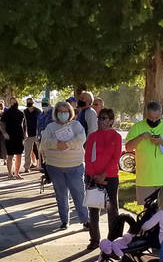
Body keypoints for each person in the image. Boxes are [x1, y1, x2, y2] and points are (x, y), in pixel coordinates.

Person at [39, 101, 90, 230]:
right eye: (60, 112)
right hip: (55, 167)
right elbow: (44, 143)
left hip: (75, 166)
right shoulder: (50, 127)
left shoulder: (76, 125)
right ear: (56, 113)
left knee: (79, 194)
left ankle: (85, 220)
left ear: (70, 112)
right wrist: (57, 145)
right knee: (61, 195)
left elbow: (81, 139)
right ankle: (64, 220)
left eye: (65, 112)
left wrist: (67, 144)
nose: (63, 114)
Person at [125, 102, 163, 203]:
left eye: (157, 117)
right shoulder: (137, 127)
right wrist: (140, 137)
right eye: (150, 117)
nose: (153, 120)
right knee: (146, 214)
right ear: (146, 113)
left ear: (161, 114)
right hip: (144, 180)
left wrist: (161, 141)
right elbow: (128, 148)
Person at [85, 108, 122, 251]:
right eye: (100, 118)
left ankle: (114, 240)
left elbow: (115, 158)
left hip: (110, 177)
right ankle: (94, 239)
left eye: (105, 118)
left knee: (112, 210)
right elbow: (88, 158)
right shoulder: (93, 137)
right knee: (93, 210)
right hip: (93, 177)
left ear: (111, 121)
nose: (102, 121)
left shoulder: (116, 137)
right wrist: (95, 176)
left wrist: (104, 175)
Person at [1, 99, 26, 179]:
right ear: (10, 103)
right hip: (10, 136)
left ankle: (17, 173)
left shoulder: (21, 113)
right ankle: (9, 174)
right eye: (12, 101)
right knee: (10, 155)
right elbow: (1, 123)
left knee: (19, 155)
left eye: (15, 101)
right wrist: (4, 133)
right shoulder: (7, 112)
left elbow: (24, 124)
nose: (14, 103)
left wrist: (25, 133)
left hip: (19, 136)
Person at [23, 97, 41, 172]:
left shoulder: (38, 111)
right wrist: (24, 133)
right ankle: (26, 167)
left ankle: (40, 166)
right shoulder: (25, 111)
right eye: (28, 102)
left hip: (37, 134)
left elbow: (40, 122)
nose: (29, 103)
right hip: (28, 135)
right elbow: (23, 123)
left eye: (30, 102)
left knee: (40, 151)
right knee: (27, 151)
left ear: (33, 103)